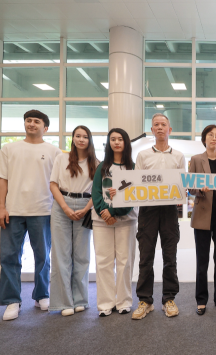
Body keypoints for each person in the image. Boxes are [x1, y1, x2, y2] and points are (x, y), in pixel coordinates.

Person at [0, 110, 62, 321]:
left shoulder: (54, 152)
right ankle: (12, 300)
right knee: (9, 257)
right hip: (13, 211)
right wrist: (1, 207)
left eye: (37, 121)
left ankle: (42, 294)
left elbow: (57, 183)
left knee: (43, 256)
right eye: (28, 121)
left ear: (45, 127)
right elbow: (1, 180)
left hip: (42, 210)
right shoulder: (9, 149)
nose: (32, 124)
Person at [131, 113, 185, 320]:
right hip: (148, 210)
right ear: (152, 130)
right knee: (146, 258)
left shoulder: (178, 156)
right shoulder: (143, 156)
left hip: (170, 210)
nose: (160, 128)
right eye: (156, 125)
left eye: (164, 125)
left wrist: (183, 192)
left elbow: (182, 183)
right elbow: (135, 183)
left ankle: (169, 299)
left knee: (170, 257)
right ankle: (145, 301)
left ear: (169, 130)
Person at [49, 125, 99, 316]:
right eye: (77, 136)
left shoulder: (96, 161)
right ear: (73, 138)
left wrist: (87, 208)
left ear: (89, 139)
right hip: (62, 204)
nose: (81, 139)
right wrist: (65, 207)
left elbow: (97, 190)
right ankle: (64, 302)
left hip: (86, 206)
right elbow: (53, 184)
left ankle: (80, 300)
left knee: (82, 256)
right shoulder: (62, 158)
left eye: (85, 136)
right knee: (61, 254)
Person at [91, 128, 138, 317]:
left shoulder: (133, 168)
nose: (117, 142)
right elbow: (95, 193)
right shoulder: (102, 167)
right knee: (103, 261)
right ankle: (105, 304)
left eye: (120, 139)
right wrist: (104, 213)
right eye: (113, 139)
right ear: (109, 143)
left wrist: (112, 211)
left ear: (126, 143)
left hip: (126, 220)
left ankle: (124, 302)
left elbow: (132, 197)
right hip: (101, 222)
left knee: (125, 262)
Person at [188, 124, 216, 315]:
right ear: (204, 139)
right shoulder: (196, 159)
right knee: (202, 260)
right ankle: (201, 299)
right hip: (202, 215)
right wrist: (200, 189)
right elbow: (190, 187)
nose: (214, 138)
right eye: (210, 135)